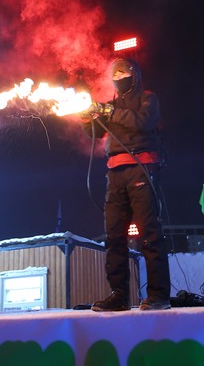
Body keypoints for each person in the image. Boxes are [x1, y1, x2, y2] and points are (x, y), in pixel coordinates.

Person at [80, 57, 171, 311]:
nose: (119, 77)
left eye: (124, 72)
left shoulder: (147, 98)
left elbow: (143, 121)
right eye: (115, 74)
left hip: (141, 167)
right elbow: (95, 133)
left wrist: (110, 112)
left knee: (149, 233)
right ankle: (119, 295)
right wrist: (87, 118)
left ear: (134, 74)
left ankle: (159, 296)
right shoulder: (110, 106)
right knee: (114, 236)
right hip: (115, 173)